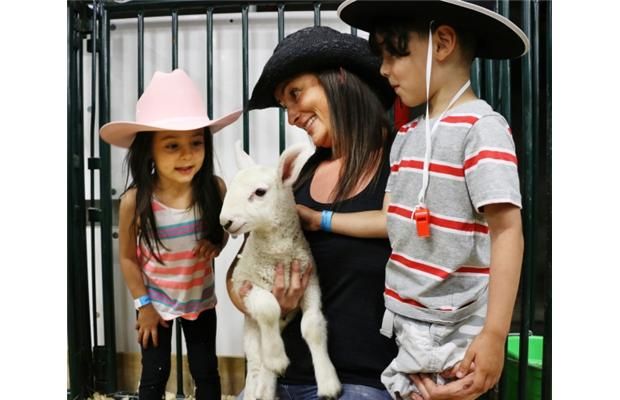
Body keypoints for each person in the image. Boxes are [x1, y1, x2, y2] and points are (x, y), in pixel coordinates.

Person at [335, 1, 529, 399]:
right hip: (405, 326)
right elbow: (393, 221)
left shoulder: (482, 130)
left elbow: (507, 231)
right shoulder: (405, 136)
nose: (385, 69)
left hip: (457, 332)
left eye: (395, 53)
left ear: (442, 43)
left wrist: (495, 334)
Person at [227, 26, 398, 400]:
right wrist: (267, 301)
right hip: (275, 380)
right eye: (284, 104)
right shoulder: (295, 177)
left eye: (295, 93)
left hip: (361, 383)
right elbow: (237, 275)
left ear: (339, 78)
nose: (290, 116)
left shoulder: (401, 165)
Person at [99, 69, 241, 400]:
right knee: (154, 374)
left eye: (196, 142)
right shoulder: (136, 201)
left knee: (206, 371)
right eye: (172, 145)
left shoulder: (215, 189)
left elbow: (221, 235)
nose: (187, 154)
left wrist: (215, 243)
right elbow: (128, 259)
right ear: (149, 150)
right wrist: (144, 305)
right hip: (154, 303)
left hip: (200, 301)